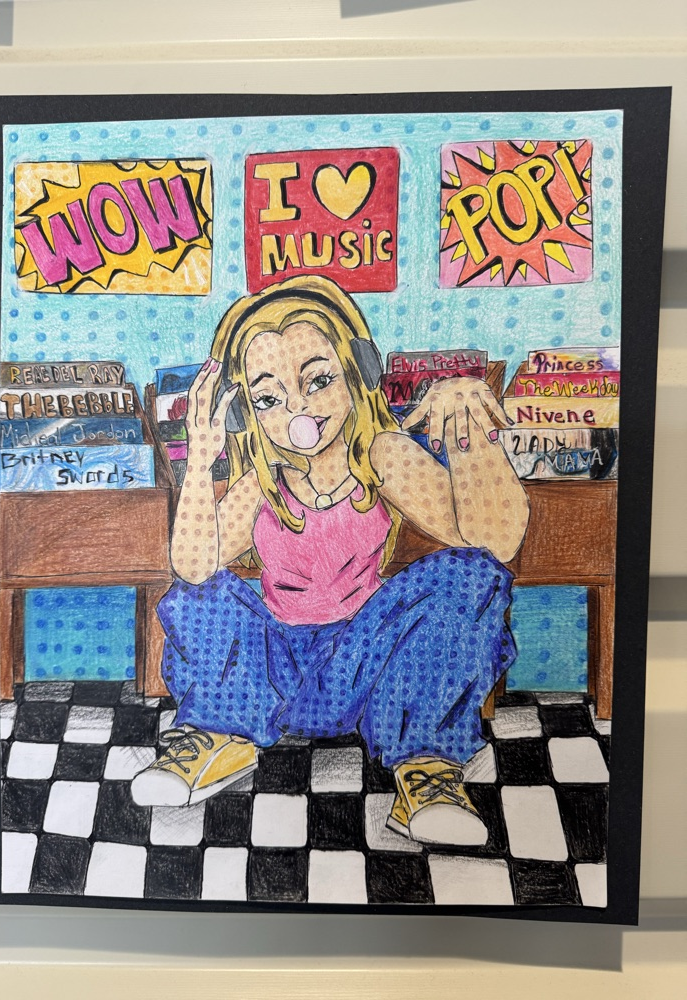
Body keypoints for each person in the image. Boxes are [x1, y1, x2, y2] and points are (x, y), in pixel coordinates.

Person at [131, 275, 530, 846]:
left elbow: (494, 542)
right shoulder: (262, 481)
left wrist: (468, 428)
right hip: (271, 684)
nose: (297, 408)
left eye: (318, 380)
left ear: (356, 372)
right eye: (268, 398)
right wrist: (200, 456)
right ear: (246, 412)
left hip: (365, 672)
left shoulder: (382, 455)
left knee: (469, 577)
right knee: (202, 595)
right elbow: (193, 568)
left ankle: (425, 769)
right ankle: (218, 741)